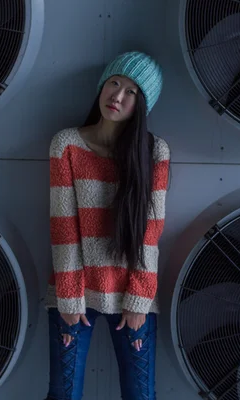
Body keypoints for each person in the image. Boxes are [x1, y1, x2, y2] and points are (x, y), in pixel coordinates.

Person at [44, 51, 170, 400]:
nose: (117, 96)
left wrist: (139, 299)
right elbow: (63, 227)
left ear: (142, 104)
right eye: (114, 83)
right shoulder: (66, 144)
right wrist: (69, 298)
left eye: (131, 91)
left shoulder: (154, 151)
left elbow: (151, 232)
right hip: (74, 290)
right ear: (102, 86)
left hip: (133, 293)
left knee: (140, 396)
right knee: (62, 395)